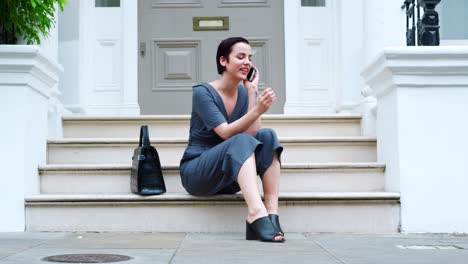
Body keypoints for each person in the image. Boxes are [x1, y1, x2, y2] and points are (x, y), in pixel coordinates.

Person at [179, 37, 284, 243]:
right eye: (241, 57)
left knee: (268, 135)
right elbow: (226, 133)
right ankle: (255, 212)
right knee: (239, 140)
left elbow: (253, 134)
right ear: (223, 61)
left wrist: (253, 92)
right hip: (198, 172)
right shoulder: (203, 92)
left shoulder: (244, 93)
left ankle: (271, 213)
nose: (248, 62)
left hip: (229, 176)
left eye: (250, 58)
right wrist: (258, 110)